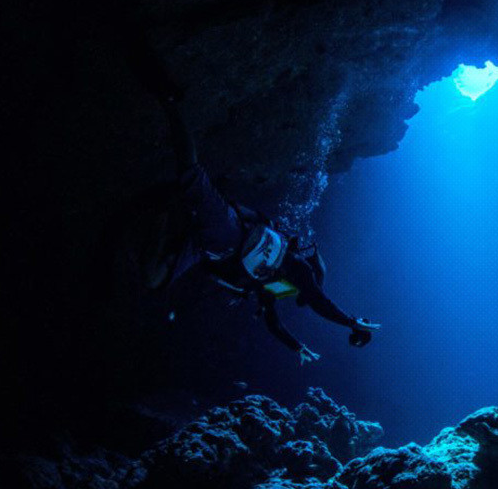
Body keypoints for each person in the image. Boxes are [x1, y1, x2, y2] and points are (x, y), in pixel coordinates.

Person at [147, 93, 380, 364]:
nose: (301, 295)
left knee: (155, 280)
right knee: (191, 175)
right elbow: (319, 302)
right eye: (304, 292)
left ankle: (161, 217)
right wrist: (350, 322)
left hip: (209, 250)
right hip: (229, 231)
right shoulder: (296, 267)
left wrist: (296, 347)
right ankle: (171, 103)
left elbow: (274, 322)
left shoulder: (275, 287)